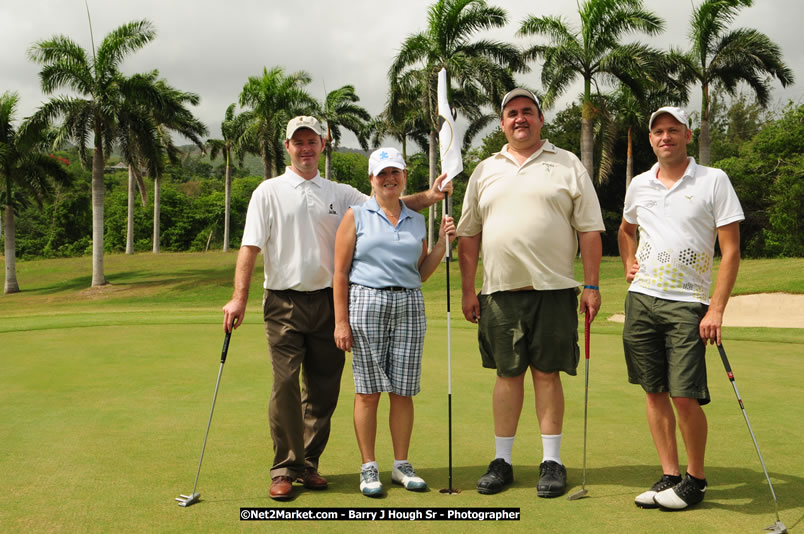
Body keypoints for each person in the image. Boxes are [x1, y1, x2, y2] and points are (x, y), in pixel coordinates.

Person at [222, 116, 450, 500]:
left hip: (328, 302)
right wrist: (239, 297)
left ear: (323, 145)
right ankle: (284, 468)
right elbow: (250, 247)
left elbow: (387, 203)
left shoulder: (341, 193)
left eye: (312, 141)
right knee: (285, 386)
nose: (306, 148)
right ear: (287, 146)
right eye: (299, 142)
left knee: (324, 390)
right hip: (283, 301)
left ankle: (308, 464)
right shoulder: (268, 191)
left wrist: (430, 196)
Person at [456, 88, 604, 497]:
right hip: (500, 292)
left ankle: (551, 461)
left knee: (546, 372)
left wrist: (591, 285)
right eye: (511, 114)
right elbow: (468, 236)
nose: (520, 119)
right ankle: (502, 461)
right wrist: (469, 290)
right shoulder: (486, 169)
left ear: (540, 119)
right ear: (502, 124)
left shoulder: (567, 163)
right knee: (507, 375)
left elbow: (590, 231)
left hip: (554, 289)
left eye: (527, 112)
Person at [618, 106, 743, 510]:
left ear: (688, 135)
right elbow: (625, 229)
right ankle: (670, 474)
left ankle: (696, 480)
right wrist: (628, 262)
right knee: (653, 392)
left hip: (688, 304)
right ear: (651, 139)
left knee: (684, 395)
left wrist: (716, 309)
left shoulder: (713, 180)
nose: (665, 137)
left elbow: (731, 251)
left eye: (673, 130)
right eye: (658, 131)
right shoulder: (639, 184)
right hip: (642, 300)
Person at [332, 147, 456, 497]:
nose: (389, 179)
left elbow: (421, 272)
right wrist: (341, 322)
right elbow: (339, 273)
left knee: (403, 390)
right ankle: (368, 467)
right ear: (371, 179)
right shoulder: (356, 215)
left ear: (403, 176)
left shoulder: (416, 220)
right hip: (366, 301)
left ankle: (401, 465)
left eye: (395, 173)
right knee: (368, 392)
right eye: (382, 174)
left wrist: (444, 245)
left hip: (410, 304)